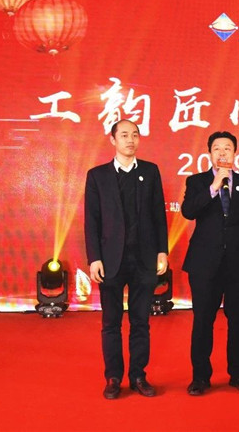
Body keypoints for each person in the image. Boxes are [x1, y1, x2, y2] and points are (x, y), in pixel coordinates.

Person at [84, 119, 169, 400]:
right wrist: (94, 258)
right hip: (111, 261)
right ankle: (113, 377)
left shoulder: (150, 171)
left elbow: (158, 215)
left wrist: (162, 251)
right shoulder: (97, 176)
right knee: (111, 323)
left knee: (140, 321)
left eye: (134, 135)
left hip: (144, 259)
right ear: (113, 140)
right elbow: (91, 221)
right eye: (124, 135)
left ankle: (138, 376)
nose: (130, 140)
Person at [181, 131, 239, 396]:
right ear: (209, 153)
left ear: (235, 153)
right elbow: (188, 211)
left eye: (227, 148)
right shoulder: (197, 181)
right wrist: (213, 187)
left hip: (238, 263)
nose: (222, 153)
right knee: (203, 320)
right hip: (204, 263)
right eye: (217, 148)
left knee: (238, 320)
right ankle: (200, 377)